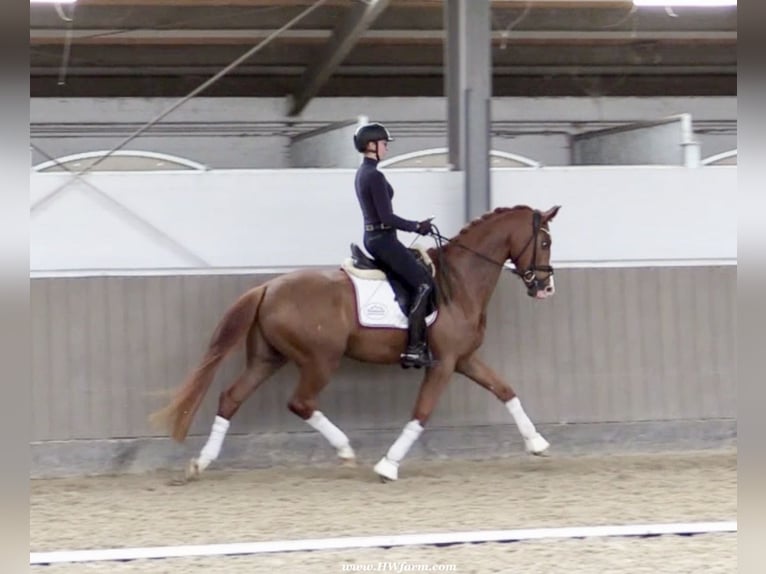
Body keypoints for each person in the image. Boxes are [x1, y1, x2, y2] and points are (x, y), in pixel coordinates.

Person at [353, 121, 436, 369]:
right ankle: (414, 348)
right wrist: (417, 226)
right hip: (383, 239)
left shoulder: (363, 173)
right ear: (371, 145)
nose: (386, 148)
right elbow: (386, 218)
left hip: (377, 238)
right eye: (384, 144)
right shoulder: (375, 176)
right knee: (423, 282)